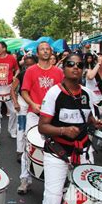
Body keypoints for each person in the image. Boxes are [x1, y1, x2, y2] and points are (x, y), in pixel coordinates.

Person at [33, 53, 102, 204]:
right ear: (64, 68)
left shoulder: (88, 94)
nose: (76, 68)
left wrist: (94, 122)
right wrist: (63, 131)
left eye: (80, 65)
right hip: (58, 153)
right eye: (71, 64)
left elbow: (87, 116)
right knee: (52, 199)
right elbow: (42, 127)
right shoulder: (54, 93)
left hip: (83, 151)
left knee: (86, 196)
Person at [17, 42, 64, 194]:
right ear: (37, 53)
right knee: (28, 147)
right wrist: (33, 103)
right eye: (42, 49)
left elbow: (63, 92)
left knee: (55, 149)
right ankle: (25, 180)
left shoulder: (58, 72)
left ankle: (55, 182)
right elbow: (24, 91)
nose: (45, 51)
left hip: (53, 118)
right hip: (33, 114)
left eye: (47, 49)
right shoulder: (30, 71)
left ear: (51, 52)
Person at [11, 54, 36, 162]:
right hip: (23, 104)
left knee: (33, 128)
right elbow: (12, 89)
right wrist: (16, 102)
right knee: (21, 127)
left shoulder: (39, 74)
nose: (29, 67)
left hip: (35, 104)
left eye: (31, 64)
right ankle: (20, 151)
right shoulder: (21, 74)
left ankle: (32, 151)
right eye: (27, 65)